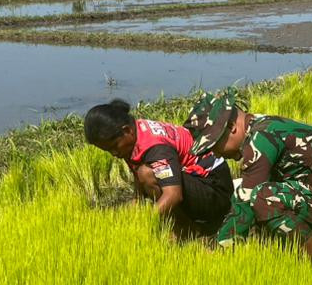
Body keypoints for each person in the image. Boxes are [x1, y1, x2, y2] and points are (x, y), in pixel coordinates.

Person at [184, 88, 312, 255]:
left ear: (231, 127)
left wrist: (217, 251)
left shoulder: (261, 139)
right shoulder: (262, 126)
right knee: (258, 207)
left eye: (214, 145)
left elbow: (245, 204)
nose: (217, 153)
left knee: (265, 199)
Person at [83, 99, 233, 236]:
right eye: (108, 150)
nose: (114, 153)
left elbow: (173, 195)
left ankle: (187, 231)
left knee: (148, 174)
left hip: (215, 191)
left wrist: (147, 222)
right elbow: (137, 174)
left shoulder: (156, 148)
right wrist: (136, 204)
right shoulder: (134, 134)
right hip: (198, 182)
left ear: (126, 130)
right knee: (143, 176)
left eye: (114, 146)